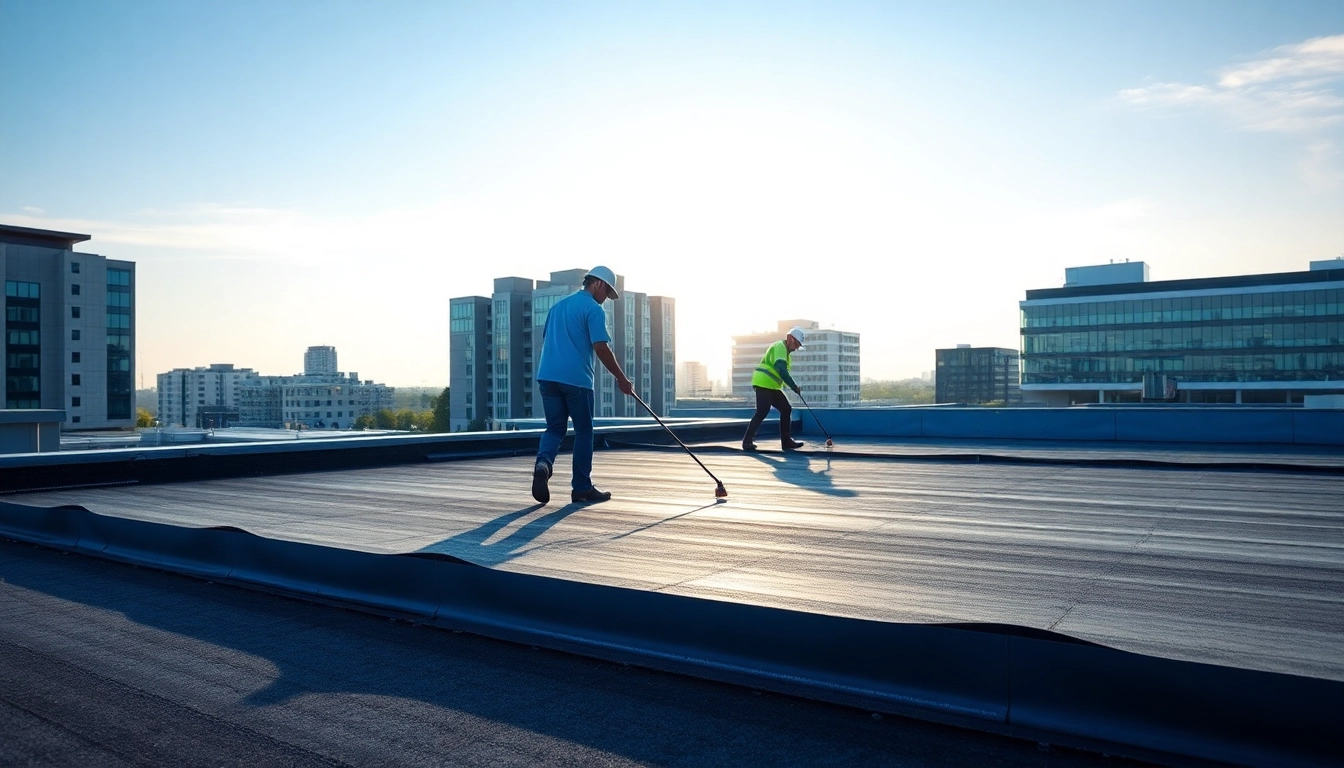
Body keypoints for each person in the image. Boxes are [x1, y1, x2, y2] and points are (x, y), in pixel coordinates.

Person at [532, 266, 635, 505]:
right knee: (584, 431)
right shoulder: (593, 309)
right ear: (598, 284)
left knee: (554, 428)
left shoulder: (557, 307)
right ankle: (581, 488)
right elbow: (600, 347)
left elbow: (547, 340)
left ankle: (543, 464)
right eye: (607, 292)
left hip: (547, 377)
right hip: (576, 380)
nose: (605, 299)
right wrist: (621, 379)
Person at [742, 326, 806, 452]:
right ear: (790, 339)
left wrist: (792, 386)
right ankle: (747, 442)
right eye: (796, 344)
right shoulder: (780, 347)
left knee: (786, 409)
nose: (796, 348)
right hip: (763, 383)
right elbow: (781, 369)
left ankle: (786, 442)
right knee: (762, 411)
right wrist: (793, 386)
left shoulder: (786, 354)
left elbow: (781, 373)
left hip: (772, 386)